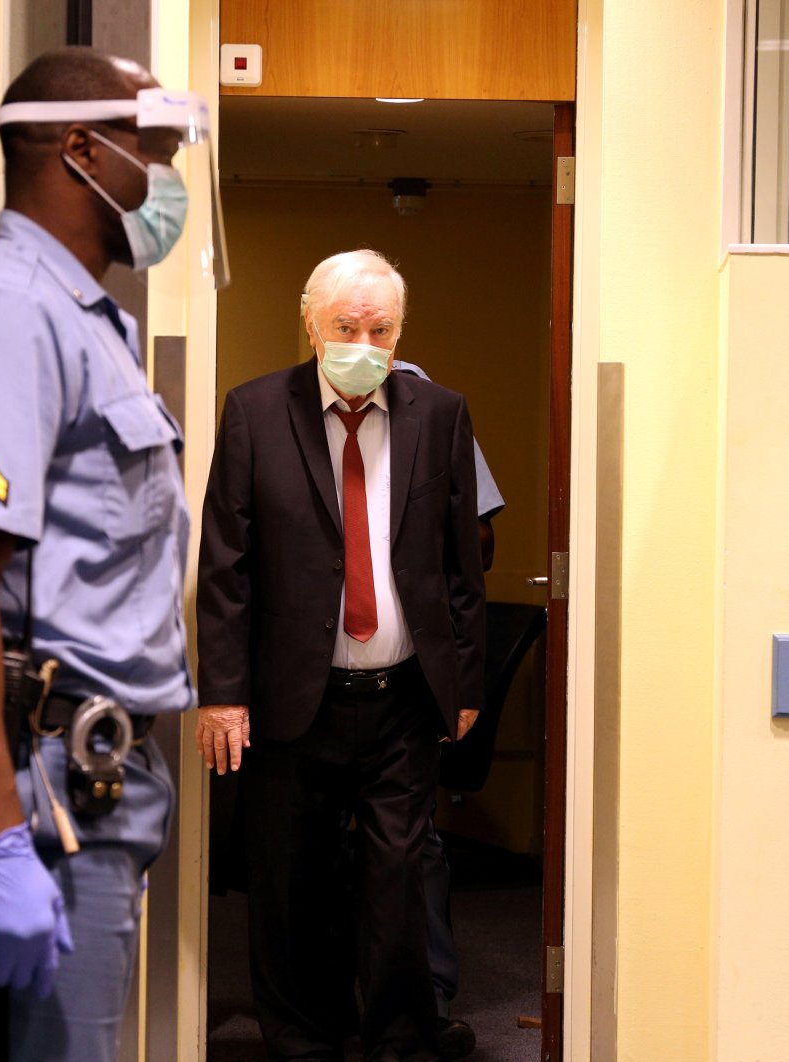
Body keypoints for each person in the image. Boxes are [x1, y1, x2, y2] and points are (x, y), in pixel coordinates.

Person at [0, 48, 217, 1060]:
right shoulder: (6, 315)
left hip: (82, 775)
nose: (165, 185)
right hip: (33, 777)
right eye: (153, 155)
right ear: (81, 150)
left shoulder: (80, 319)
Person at [196, 249, 487, 1061]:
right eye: (346, 326)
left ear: (401, 332)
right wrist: (222, 693)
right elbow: (226, 564)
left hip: (403, 697)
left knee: (397, 881)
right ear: (310, 323)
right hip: (295, 696)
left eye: (381, 328)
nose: (364, 340)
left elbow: (462, 561)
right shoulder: (255, 412)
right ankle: (303, 1040)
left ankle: (400, 1035)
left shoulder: (440, 414)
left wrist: (464, 680)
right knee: (293, 884)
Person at [392, 358, 503, 1060]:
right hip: (322, 667)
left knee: (414, 841)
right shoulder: (289, 413)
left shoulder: (435, 410)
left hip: (413, 664)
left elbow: (482, 543)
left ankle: (424, 1000)